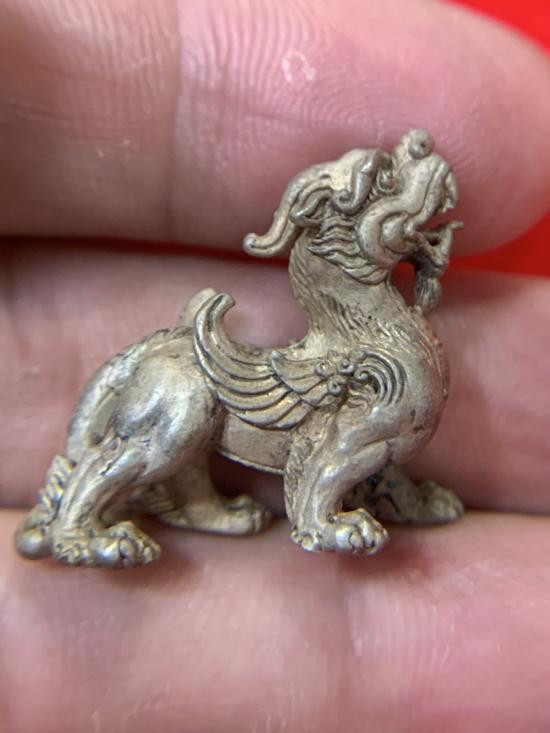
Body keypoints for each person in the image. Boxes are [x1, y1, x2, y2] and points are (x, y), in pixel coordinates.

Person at [1, 0, 549, 730]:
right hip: (188, 384)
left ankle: (196, 501)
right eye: (385, 188)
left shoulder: (370, 350)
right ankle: (75, 516)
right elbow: (338, 445)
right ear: (347, 236)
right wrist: (322, 515)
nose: (410, 176)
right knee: (175, 424)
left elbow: (371, 439)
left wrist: (383, 480)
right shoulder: (354, 365)